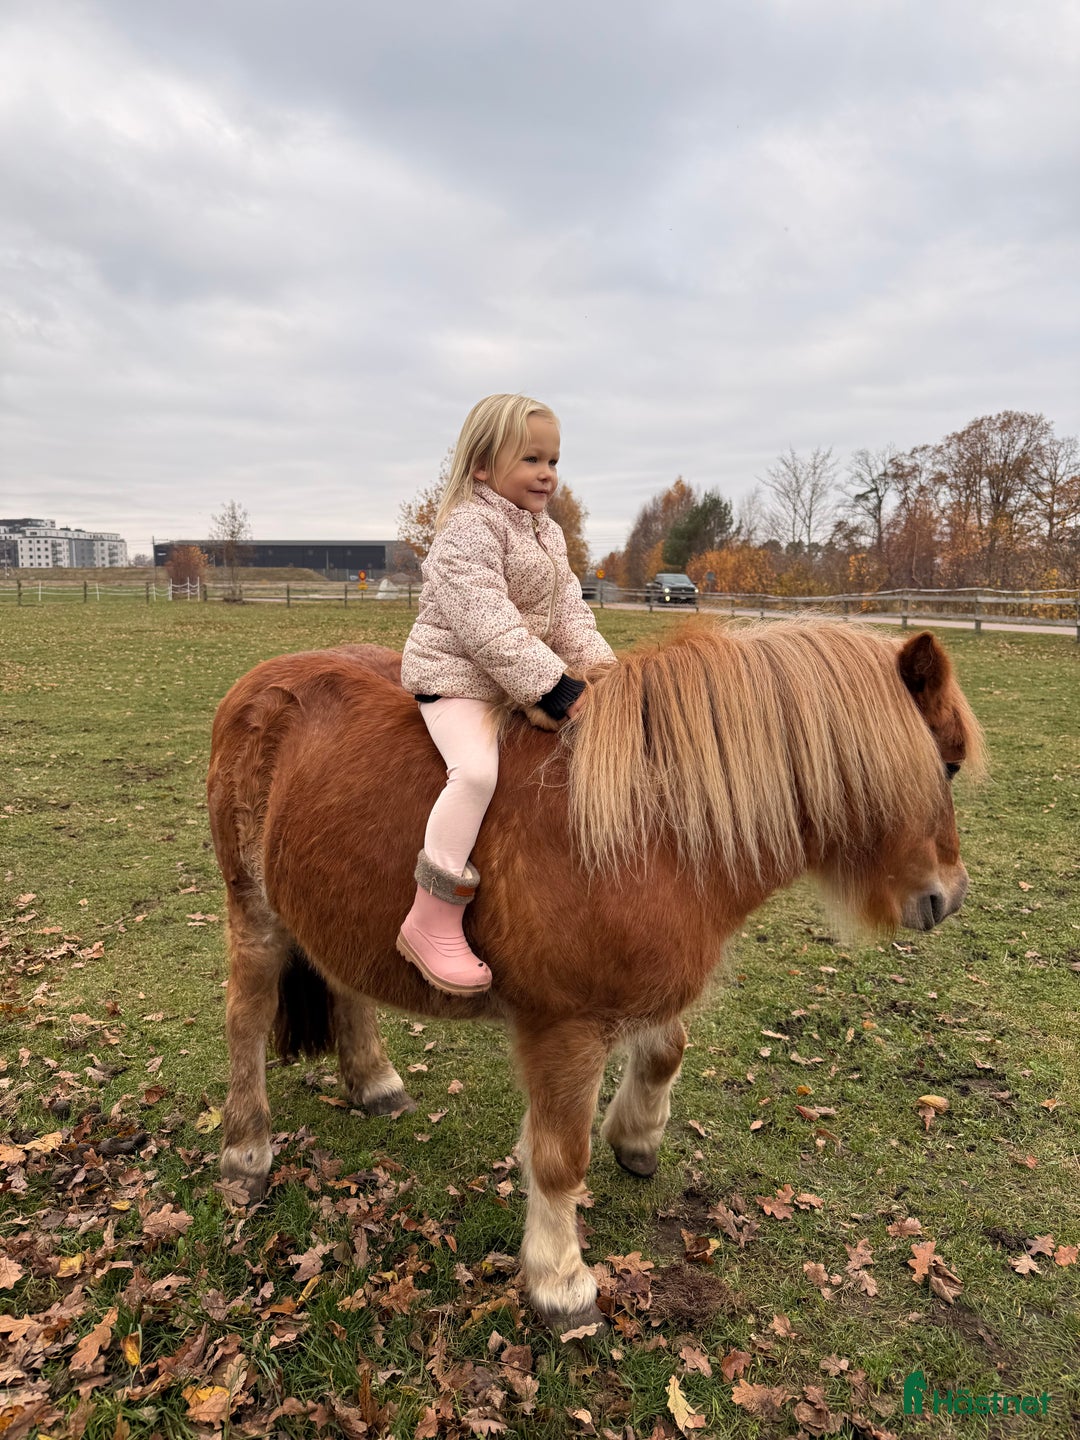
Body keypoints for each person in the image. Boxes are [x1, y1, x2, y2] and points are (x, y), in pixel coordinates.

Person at [397, 393, 616, 995]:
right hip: (459, 681)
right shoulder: (468, 529)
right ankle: (431, 917)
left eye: (554, 460)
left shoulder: (546, 534)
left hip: (513, 681)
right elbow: (487, 625)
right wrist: (556, 688)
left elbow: (570, 612)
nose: (547, 473)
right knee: (475, 776)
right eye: (531, 459)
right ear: (483, 467)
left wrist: (605, 675)